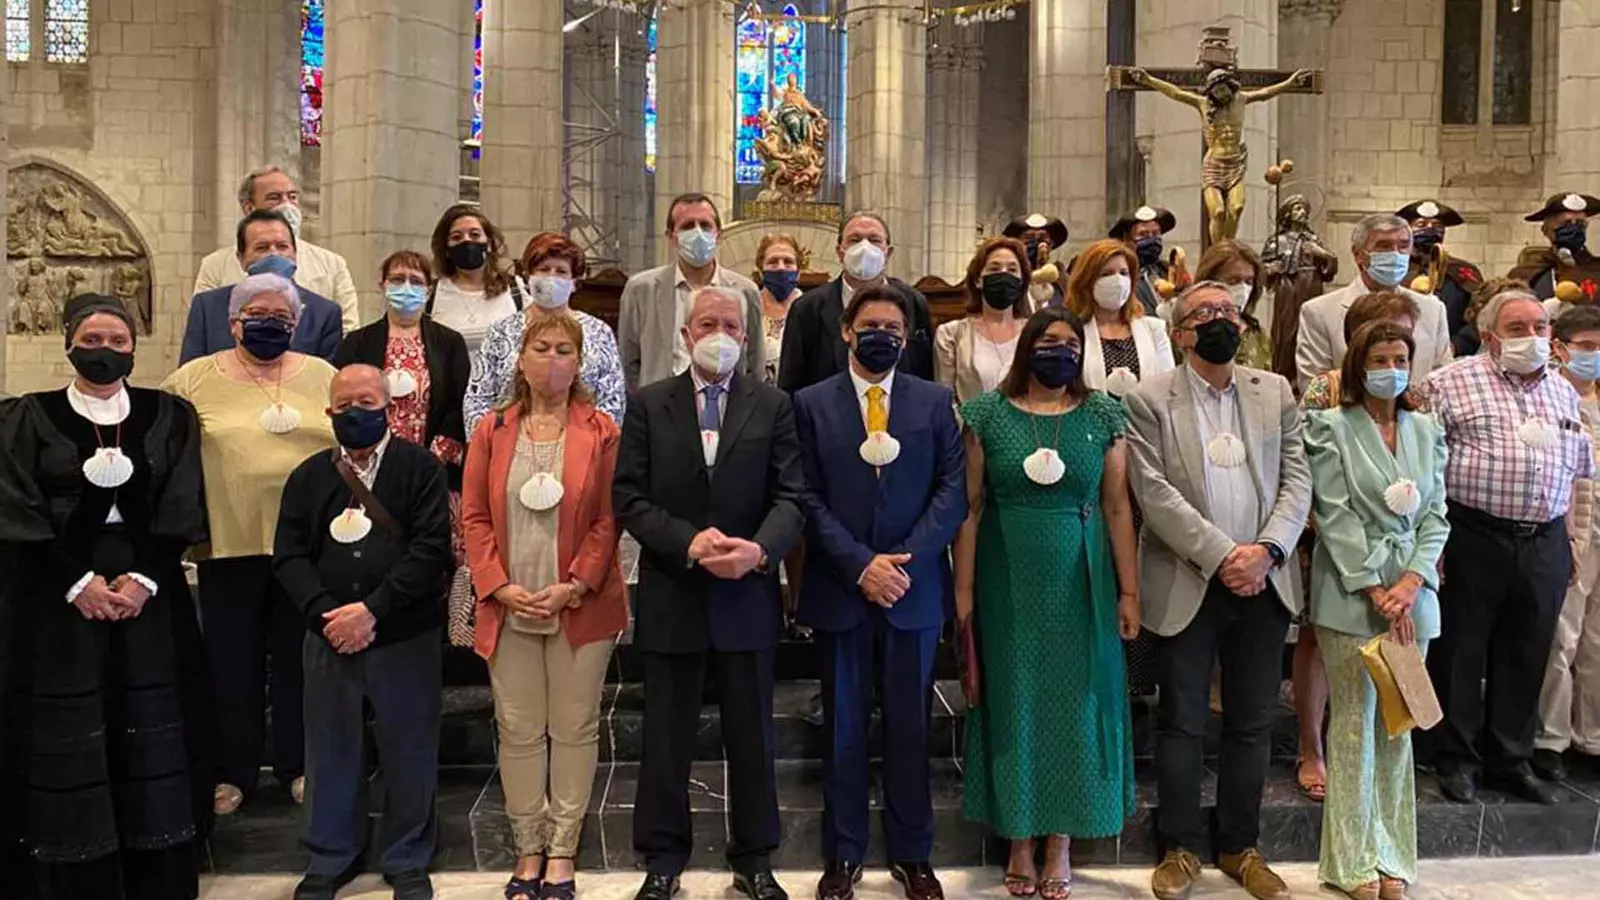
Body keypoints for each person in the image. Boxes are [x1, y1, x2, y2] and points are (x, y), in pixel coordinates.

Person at [0, 294, 211, 900]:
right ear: (69, 343)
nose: (105, 351)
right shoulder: (27, 417)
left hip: (148, 591)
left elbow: (182, 498)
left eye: (117, 341)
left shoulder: (168, 414)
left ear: (134, 346)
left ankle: (154, 866)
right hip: (56, 592)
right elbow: (15, 504)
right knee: (70, 723)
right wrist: (76, 581)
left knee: (149, 718)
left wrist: (145, 577)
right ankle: (75, 867)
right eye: (91, 341)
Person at [613, 287, 805, 900]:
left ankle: (754, 858)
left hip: (747, 593)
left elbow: (792, 496)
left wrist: (760, 551)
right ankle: (663, 858)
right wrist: (689, 543)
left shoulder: (773, 405)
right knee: (666, 737)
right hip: (675, 589)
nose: (719, 333)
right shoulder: (649, 405)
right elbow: (629, 496)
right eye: (706, 324)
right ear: (686, 335)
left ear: (745, 338)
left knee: (752, 736)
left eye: (730, 324)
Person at [1125, 281, 1311, 900]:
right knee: (1181, 721)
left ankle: (1240, 847)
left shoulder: (1274, 390)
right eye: (1205, 312)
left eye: (1229, 310)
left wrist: (1268, 551)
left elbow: (1297, 478)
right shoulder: (1149, 397)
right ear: (1180, 332)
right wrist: (1223, 555)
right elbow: (1152, 491)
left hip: (1265, 579)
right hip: (1188, 577)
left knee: (1252, 722)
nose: (1220, 320)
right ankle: (1179, 848)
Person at [956, 307, 1140, 900]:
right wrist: (963, 590)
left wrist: (1129, 590)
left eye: (1070, 344)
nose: (1059, 351)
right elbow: (971, 506)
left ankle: (1059, 838)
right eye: (1047, 341)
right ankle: (1018, 837)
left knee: (1077, 700)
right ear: (1026, 348)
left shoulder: (1102, 414)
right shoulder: (986, 414)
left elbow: (1117, 506)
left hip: (1081, 575)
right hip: (1006, 575)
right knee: (1015, 698)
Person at [792, 286, 967, 900]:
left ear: (909, 337)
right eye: (870, 325)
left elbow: (952, 490)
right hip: (842, 588)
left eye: (893, 328)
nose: (882, 336)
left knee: (909, 727)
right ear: (847, 330)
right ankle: (843, 854)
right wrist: (861, 565)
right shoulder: (810, 404)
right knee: (843, 728)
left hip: (912, 590)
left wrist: (903, 563)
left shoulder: (934, 400)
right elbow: (804, 494)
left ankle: (913, 853)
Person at [462, 313, 629, 900]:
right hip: (510, 602)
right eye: (541, 347)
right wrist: (498, 584)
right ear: (521, 358)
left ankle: (562, 850)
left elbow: (609, 518)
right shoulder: (492, 429)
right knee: (518, 729)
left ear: (579, 363)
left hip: (578, 602)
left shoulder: (601, 430)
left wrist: (575, 585)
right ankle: (527, 847)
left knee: (575, 727)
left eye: (564, 350)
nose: (552, 359)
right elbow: (474, 515)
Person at [273, 364, 453, 900]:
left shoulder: (420, 468)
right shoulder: (308, 476)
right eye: (344, 404)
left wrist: (373, 611)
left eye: (367, 402)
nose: (355, 412)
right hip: (329, 635)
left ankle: (408, 857)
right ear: (328, 411)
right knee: (330, 747)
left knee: (409, 746)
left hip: (404, 633)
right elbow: (289, 556)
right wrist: (327, 615)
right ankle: (330, 856)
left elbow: (431, 549)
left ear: (389, 408)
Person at [162, 273, 339, 816]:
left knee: (299, 659)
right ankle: (232, 771)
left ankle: (299, 764)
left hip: (307, 548)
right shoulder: (193, 379)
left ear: (297, 323)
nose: (270, 324)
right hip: (228, 542)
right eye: (258, 315)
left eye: (282, 317)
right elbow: (164, 449)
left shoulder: (323, 374)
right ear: (234, 322)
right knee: (230, 662)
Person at [1421, 286, 1594, 805]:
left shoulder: (1563, 391)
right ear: (1490, 336)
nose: (1532, 338)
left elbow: (1575, 469)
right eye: (1517, 329)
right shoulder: (1448, 383)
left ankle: (1511, 759)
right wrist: (1433, 542)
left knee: (1528, 650)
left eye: (1540, 328)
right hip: (1472, 532)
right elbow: (1425, 466)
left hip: (1544, 536)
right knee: (1461, 649)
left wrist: (1569, 539)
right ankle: (1455, 757)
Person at [1304, 321, 1449, 900]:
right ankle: (1352, 858)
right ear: (1358, 365)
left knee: (1398, 723)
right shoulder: (1331, 427)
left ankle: (1393, 856)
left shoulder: (1427, 429)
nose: (1392, 369)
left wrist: (1410, 582)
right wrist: (1374, 588)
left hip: (1413, 598)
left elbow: (1436, 514)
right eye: (1380, 359)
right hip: (1349, 591)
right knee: (1354, 725)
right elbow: (1333, 514)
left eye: (1401, 359)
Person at [465, 232, 625, 433]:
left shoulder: (599, 332)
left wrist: (590, 441)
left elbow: (613, 402)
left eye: (561, 271)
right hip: (508, 440)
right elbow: (477, 399)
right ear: (528, 277)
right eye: (543, 269)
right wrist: (490, 441)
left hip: (580, 442)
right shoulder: (500, 331)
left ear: (574, 282)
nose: (551, 277)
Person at [336, 251, 470, 488]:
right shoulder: (357, 342)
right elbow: (343, 397)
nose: (406, 287)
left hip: (433, 464)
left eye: (416, 281)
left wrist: (434, 457)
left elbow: (460, 400)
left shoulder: (450, 342)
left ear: (428, 291)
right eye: (397, 279)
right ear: (383, 286)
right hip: (369, 461)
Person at [1536, 304, 1600, 782]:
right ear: (1560, 348)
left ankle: (1591, 735)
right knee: (1563, 638)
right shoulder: (1551, 396)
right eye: (1588, 347)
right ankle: (1549, 738)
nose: (1595, 357)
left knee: (1597, 642)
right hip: (1572, 531)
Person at [617, 193, 764, 392]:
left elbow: (754, 362)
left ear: (718, 234)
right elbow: (628, 362)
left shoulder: (745, 290)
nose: (698, 233)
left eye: (705, 225)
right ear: (671, 237)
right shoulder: (641, 289)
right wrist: (644, 404)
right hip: (659, 403)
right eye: (687, 226)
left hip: (725, 401)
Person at [778, 212, 935, 391]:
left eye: (874, 240)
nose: (864, 247)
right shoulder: (807, 308)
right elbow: (791, 383)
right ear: (840, 251)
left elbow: (925, 375)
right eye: (855, 240)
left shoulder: (913, 302)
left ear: (888, 252)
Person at [1296, 213, 1451, 394]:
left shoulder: (1433, 309)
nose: (1395, 254)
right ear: (1358, 255)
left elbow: (1444, 380)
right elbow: (1314, 387)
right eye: (1384, 246)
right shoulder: (1319, 312)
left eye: (1403, 246)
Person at [194, 165, 360, 331]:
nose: (287, 205)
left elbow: (347, 328)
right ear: (249, 208)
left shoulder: (332, 264)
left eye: (292, 196)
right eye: (274, 198)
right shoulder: (215, 265)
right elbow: (204, 324)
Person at [181, 209, 344, 364]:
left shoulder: (325, 313)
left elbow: (327, 378)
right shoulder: (207, 307)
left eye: (282, 246)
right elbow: (190, 373)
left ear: (294, 253)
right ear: (240, 258)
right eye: (262, 248)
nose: (274, 254)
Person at [1068, 238, 1174, 397]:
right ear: (1086, 281)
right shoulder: (1073, 331)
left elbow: (1168, 386)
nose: (1118, 281)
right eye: (1106, 274)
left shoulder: (1154, 329)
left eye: (1124, 273)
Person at [934, 237, 1032, 405]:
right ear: (978, 280)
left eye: (1012, 269)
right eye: (994, 268)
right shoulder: (951, 334)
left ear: (1021, 281)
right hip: (968, 420)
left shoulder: (1034, 332)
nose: (1003, 274)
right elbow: (945, 398)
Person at [1261, 195, 1340, 385]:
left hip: (1311, 284)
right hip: (1288, 288)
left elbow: (1332, 264)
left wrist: (1321, 254)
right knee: (1287, 329)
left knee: (1310, 327)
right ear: (1288, 214)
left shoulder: (1313, 240)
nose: (1302, 212)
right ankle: (1285, 375)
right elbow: (1262, 269)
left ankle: (1306, 374)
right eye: (1297, 208)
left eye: (1304, 209)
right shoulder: (1277, 240)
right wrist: (1271, 269)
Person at [426, 203, 521, 355]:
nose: (466, 241)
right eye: (456, 237)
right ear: (446, 249)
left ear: (489, 243)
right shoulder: (431, 295)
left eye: (475, 235)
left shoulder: (515, 289)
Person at [1302, 291, 1422, 411]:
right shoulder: (1327, 389)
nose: (1399, 340)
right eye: (1389, 332)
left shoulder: (1415, 395)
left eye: (1407, 332)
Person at [1396, 199, 1483, 343]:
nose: (1430, 228)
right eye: (1421, 224)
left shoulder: (1463, 270)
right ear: (1408, 230)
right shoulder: (1396, 269)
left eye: (1437, 225)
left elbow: (1480, 312)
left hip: (1452, 348)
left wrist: (1459, 344)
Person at [1193, 240, 1272, 371]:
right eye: (1233, 281)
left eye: (1248, 281)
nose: (1242, 289)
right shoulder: (1191, 331)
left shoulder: (1258, 335)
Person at [1507, 192, 1600, 301]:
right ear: (1546, 230)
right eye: (1566, 223)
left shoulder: (1596, 270)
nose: (1573, 228)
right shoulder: (1523, 275)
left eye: (1580, 223)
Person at [755, 233, 806, 385]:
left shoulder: (811, 310)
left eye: (788, 262)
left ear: (798, 271)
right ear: (761, 270)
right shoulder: (749, 308)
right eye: (773, 262)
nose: (781, 267)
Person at [1110, 205, 1179, 315]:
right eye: (1143, 234)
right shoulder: (1122, 276)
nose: (1151, 239)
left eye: (1156, 233)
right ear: (1127, 241)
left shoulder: (1168, 272)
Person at [1003, 213, 1069, 310]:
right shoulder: (1010, 281)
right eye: (1029, 239)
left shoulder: (1062, 283)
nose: (1036, 244)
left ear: (1051, 245)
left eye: (1043, 239)